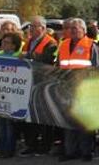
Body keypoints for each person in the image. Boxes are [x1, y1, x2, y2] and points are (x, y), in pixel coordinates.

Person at [58, 17, 99, 161]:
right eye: (71, 28)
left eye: (76, 28)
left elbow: (96, 70)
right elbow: (59, 67)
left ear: (83, 30)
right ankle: (70, 152)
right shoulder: (63, 45)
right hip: (67, 89)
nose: (73, 31)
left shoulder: (91, 45)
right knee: (69, 123)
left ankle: (86, 152)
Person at [21, 16, 59, 156]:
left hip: (44, 83)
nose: (30, 29)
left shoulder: (51, 42)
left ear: (42, 28)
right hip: (29, 82)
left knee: (44, 116)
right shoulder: (29, 41)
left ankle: (45, 145)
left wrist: (29, 55)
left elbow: (48, 59)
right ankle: (31, 144)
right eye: (30, 26)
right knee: (29, 116)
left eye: (34, 26)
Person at [0, 32, 24, 158]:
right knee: (1, 122)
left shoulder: (18, 57)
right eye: (3, 42)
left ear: (14, 46)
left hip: (13, 95)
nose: (3, 44)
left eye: (6, 42)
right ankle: (2, 148)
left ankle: (9, 149)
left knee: (9, 123)